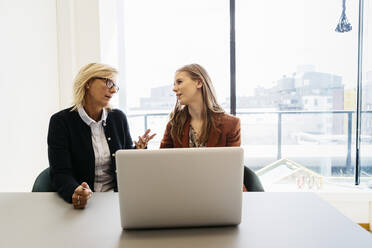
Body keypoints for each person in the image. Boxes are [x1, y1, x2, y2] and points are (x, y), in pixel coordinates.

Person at [47, 63, 155, 208]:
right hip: (82, 204)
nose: (113, 90)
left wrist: (137, 151)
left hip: (116, 201)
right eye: (108, 82)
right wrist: (75, 192)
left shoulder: (118, 118)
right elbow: (60, 173)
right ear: (88, 83)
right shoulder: (60, 122)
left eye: (115, 86)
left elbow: (125, 165)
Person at [160, 64, 247, 191]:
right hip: (182, 191)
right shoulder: (174, 124)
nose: (174, 89)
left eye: (179, 82)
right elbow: (162, 164)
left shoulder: (231, 125)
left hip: (220, 191)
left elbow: (233, 171)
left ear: (199, 82)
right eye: (174, 84)